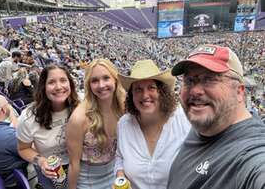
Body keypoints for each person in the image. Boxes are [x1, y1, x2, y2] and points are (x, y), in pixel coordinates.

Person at [167, 44, 265, 189]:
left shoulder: (250, 154)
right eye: (189, 81)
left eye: (209, 79)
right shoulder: (205, 125)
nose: (195, 91)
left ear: (239, 91)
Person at [115, 59, 190, 189]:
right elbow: (120, 157)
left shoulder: (183, 119)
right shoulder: (124, 124)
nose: (145, 95)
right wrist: (120, 176)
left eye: (151, 87)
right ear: (131, 95)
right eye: (138, 89)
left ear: (161, 91)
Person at [16, 64, 79, 189]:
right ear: (43, 87)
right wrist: (41, 161)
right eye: (51, 82)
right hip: (50, 171)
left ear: (70, 84)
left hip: (80, 166)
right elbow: (23, 149)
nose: (59, 87)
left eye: (63, 80)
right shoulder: (28, 117)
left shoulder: (81, 104)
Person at [66, 59, 125, 189]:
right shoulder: (78, 119)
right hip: (88, 181)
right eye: (94, 81)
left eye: (106, 78)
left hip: (117, 174)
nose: (101, 85)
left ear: (115, 79)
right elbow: (73, 164)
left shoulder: (124, 106)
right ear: (88, 85)